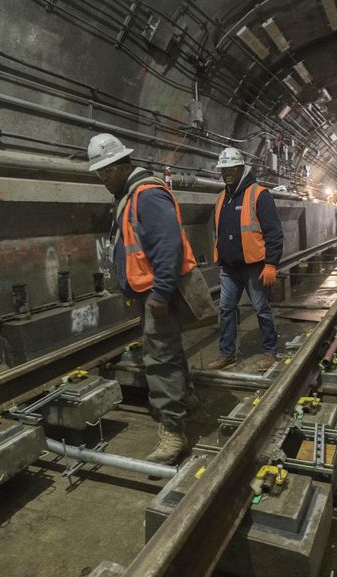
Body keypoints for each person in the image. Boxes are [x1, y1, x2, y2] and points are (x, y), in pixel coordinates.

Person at [88, 132, 195, 465]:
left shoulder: (147, 196)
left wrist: (161, 293)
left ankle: (172, 431)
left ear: (124, 165)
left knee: (159, 360)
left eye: (107, 171)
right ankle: (184, 399)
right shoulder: (129, 195)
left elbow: (169, 246)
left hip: (156, 293)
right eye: (98, 172)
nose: (102, 178)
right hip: (147, 291)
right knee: (167, 352)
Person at [207, 147, 284, 372]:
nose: (227, 173)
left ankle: (270, 351)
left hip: (255, 266)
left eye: (231, 169)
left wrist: (271, 264)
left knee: (261, 308)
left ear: (241, 168)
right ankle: (226, 354)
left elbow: (274, 232)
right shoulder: (221, 197)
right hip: (229, 267)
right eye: (224, 170)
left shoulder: (259, 194)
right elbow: (219, 231)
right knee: (226, 309)